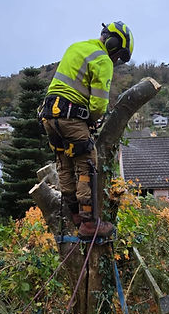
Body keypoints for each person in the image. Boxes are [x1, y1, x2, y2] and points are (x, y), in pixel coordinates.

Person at [39, 21, 134, 238]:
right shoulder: (102, 60)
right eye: (118, 54)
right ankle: (89, 223)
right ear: (113, 44)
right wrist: (92, 119)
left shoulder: (76, 47)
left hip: (48, 116)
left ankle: (74, 214)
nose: (116, 59)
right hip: (70, 116)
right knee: (87, 162)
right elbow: (99, 105)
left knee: (64, 162)